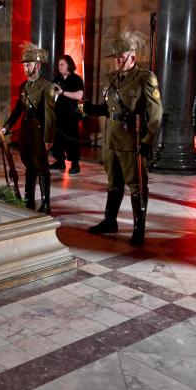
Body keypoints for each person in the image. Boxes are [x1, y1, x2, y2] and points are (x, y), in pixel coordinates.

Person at [82, 31, 162, 246]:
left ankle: (138, 228)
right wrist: (89, 109)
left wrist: (147, 142)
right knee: (113, 183)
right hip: (111, 140)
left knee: (136, 186)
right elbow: (108, 109)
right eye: (115, 57)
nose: (117, 61)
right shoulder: (111, 79)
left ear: (132, 58)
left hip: (131, 141)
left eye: (121, 57)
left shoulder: (145, 78)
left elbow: (155, 114)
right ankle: (110, 221)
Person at [2, 43, 55, 214]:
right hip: (26, 131)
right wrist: (7, 126)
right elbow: (18, 109)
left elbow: (49, 115)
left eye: (28, 64)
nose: (25, 68)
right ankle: (29, 200)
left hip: (39, 131)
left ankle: (46, 203)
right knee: (29, 165)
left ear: (37, 66)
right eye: (24, 65)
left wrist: (48, 138)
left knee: (41, 166)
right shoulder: (23, 86)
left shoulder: (47, 87)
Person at [50, 55, 84, 174]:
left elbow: (79, 95)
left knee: (72, 140)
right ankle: (59, 161)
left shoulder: (76, 79)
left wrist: (62, 92)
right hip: (58, 114)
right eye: (59, 64)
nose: (59, 67)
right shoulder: (57, 78)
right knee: (58, 139)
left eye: (62, 64)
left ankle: (75, 164)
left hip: (71, 115)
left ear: (69, 65)